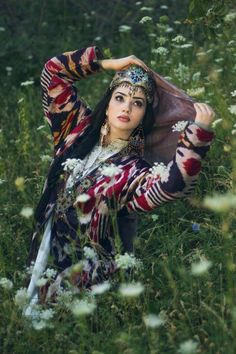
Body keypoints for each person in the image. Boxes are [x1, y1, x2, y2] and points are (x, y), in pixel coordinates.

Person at [25, 46, 215, 309]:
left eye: (137, 103)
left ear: (144, 116)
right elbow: (53, 73)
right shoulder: (76, 129)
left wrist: (198, 133)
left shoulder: (132, 171)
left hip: (84, 291)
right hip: (39, 264)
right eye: (120, 97)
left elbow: (173, 186)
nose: (126, 107)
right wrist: (108, 64)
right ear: (108, 101)